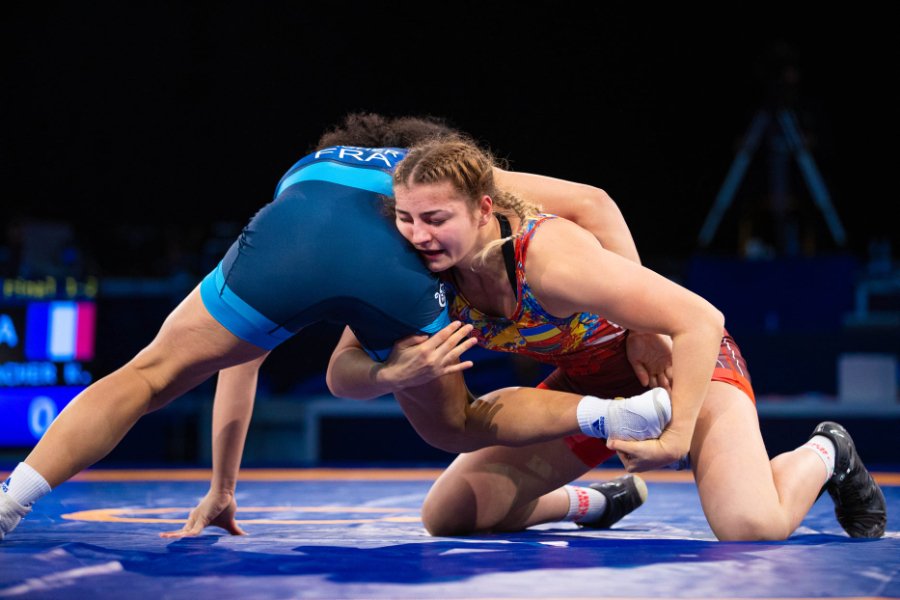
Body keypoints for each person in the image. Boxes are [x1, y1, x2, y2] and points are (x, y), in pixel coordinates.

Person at [0, 113, 671, 541]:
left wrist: (223, 488)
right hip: (391, 279)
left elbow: (243, 362)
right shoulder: (427, 175)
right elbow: (591, 201)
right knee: (456, 423)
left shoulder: (306, 172)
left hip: (283, 239)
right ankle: (613, 414)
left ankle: (13, 498)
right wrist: (638, 323)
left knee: (146, 377)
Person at [329, 134, 887, 540]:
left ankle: (827, 452)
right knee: (450, 515)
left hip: (678, 368)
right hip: (594, 389)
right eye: (406, 219)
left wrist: (675, 430)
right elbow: (341, 372)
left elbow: (701, 319)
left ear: (482, 211)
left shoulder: (549, 260)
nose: (419, 236)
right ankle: (591, 503)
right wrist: (389, 374)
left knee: (751, 526)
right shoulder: (415, 277)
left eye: (435, 219)